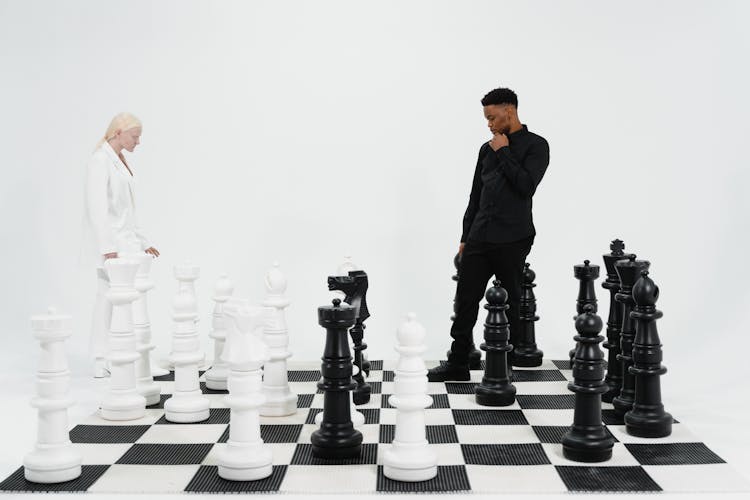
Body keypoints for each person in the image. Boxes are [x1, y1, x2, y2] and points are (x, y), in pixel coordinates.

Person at [428, 88, 550, 382]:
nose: (489, 124)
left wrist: (505, 151)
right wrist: (464, 237)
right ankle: (458, 362)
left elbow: (525, 186)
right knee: (465, 300)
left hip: (513, 236)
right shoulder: (486, 149)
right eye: (486, 118)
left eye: (492, 117)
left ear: (510, 111)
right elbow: (475, 196)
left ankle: (503, 366)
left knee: (511, 303)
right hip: (480, 235)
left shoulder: (537, 146)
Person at [85, 112, 160, 378]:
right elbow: (97, 209)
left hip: (127, 242)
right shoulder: (99, 161)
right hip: (113, 245)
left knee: (130, 299)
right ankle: (99, 358)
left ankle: (137, 357)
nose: (138, 142)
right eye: (135, 136)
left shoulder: (120, 160)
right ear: (118, 132)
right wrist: (107, 248)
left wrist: (144, 241)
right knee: (106, 297)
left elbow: (129, 210)